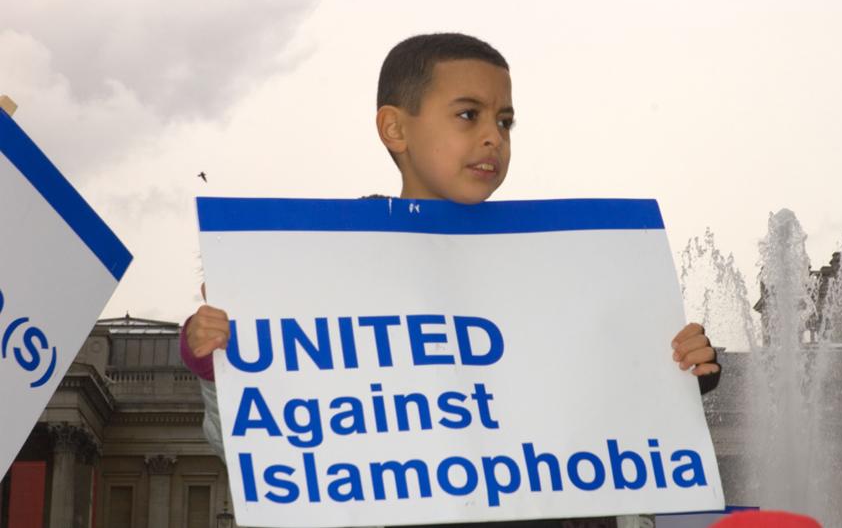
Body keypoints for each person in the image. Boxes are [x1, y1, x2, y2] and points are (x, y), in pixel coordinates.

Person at [181, 33, 721, 528]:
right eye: (468, 115)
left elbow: (606, 431)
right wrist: (220, 365)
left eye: (505, 122)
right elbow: (274, 451)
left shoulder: (566, 271)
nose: (493, 137)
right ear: (395, 128)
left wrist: (672, 376)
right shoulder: (325, 274)